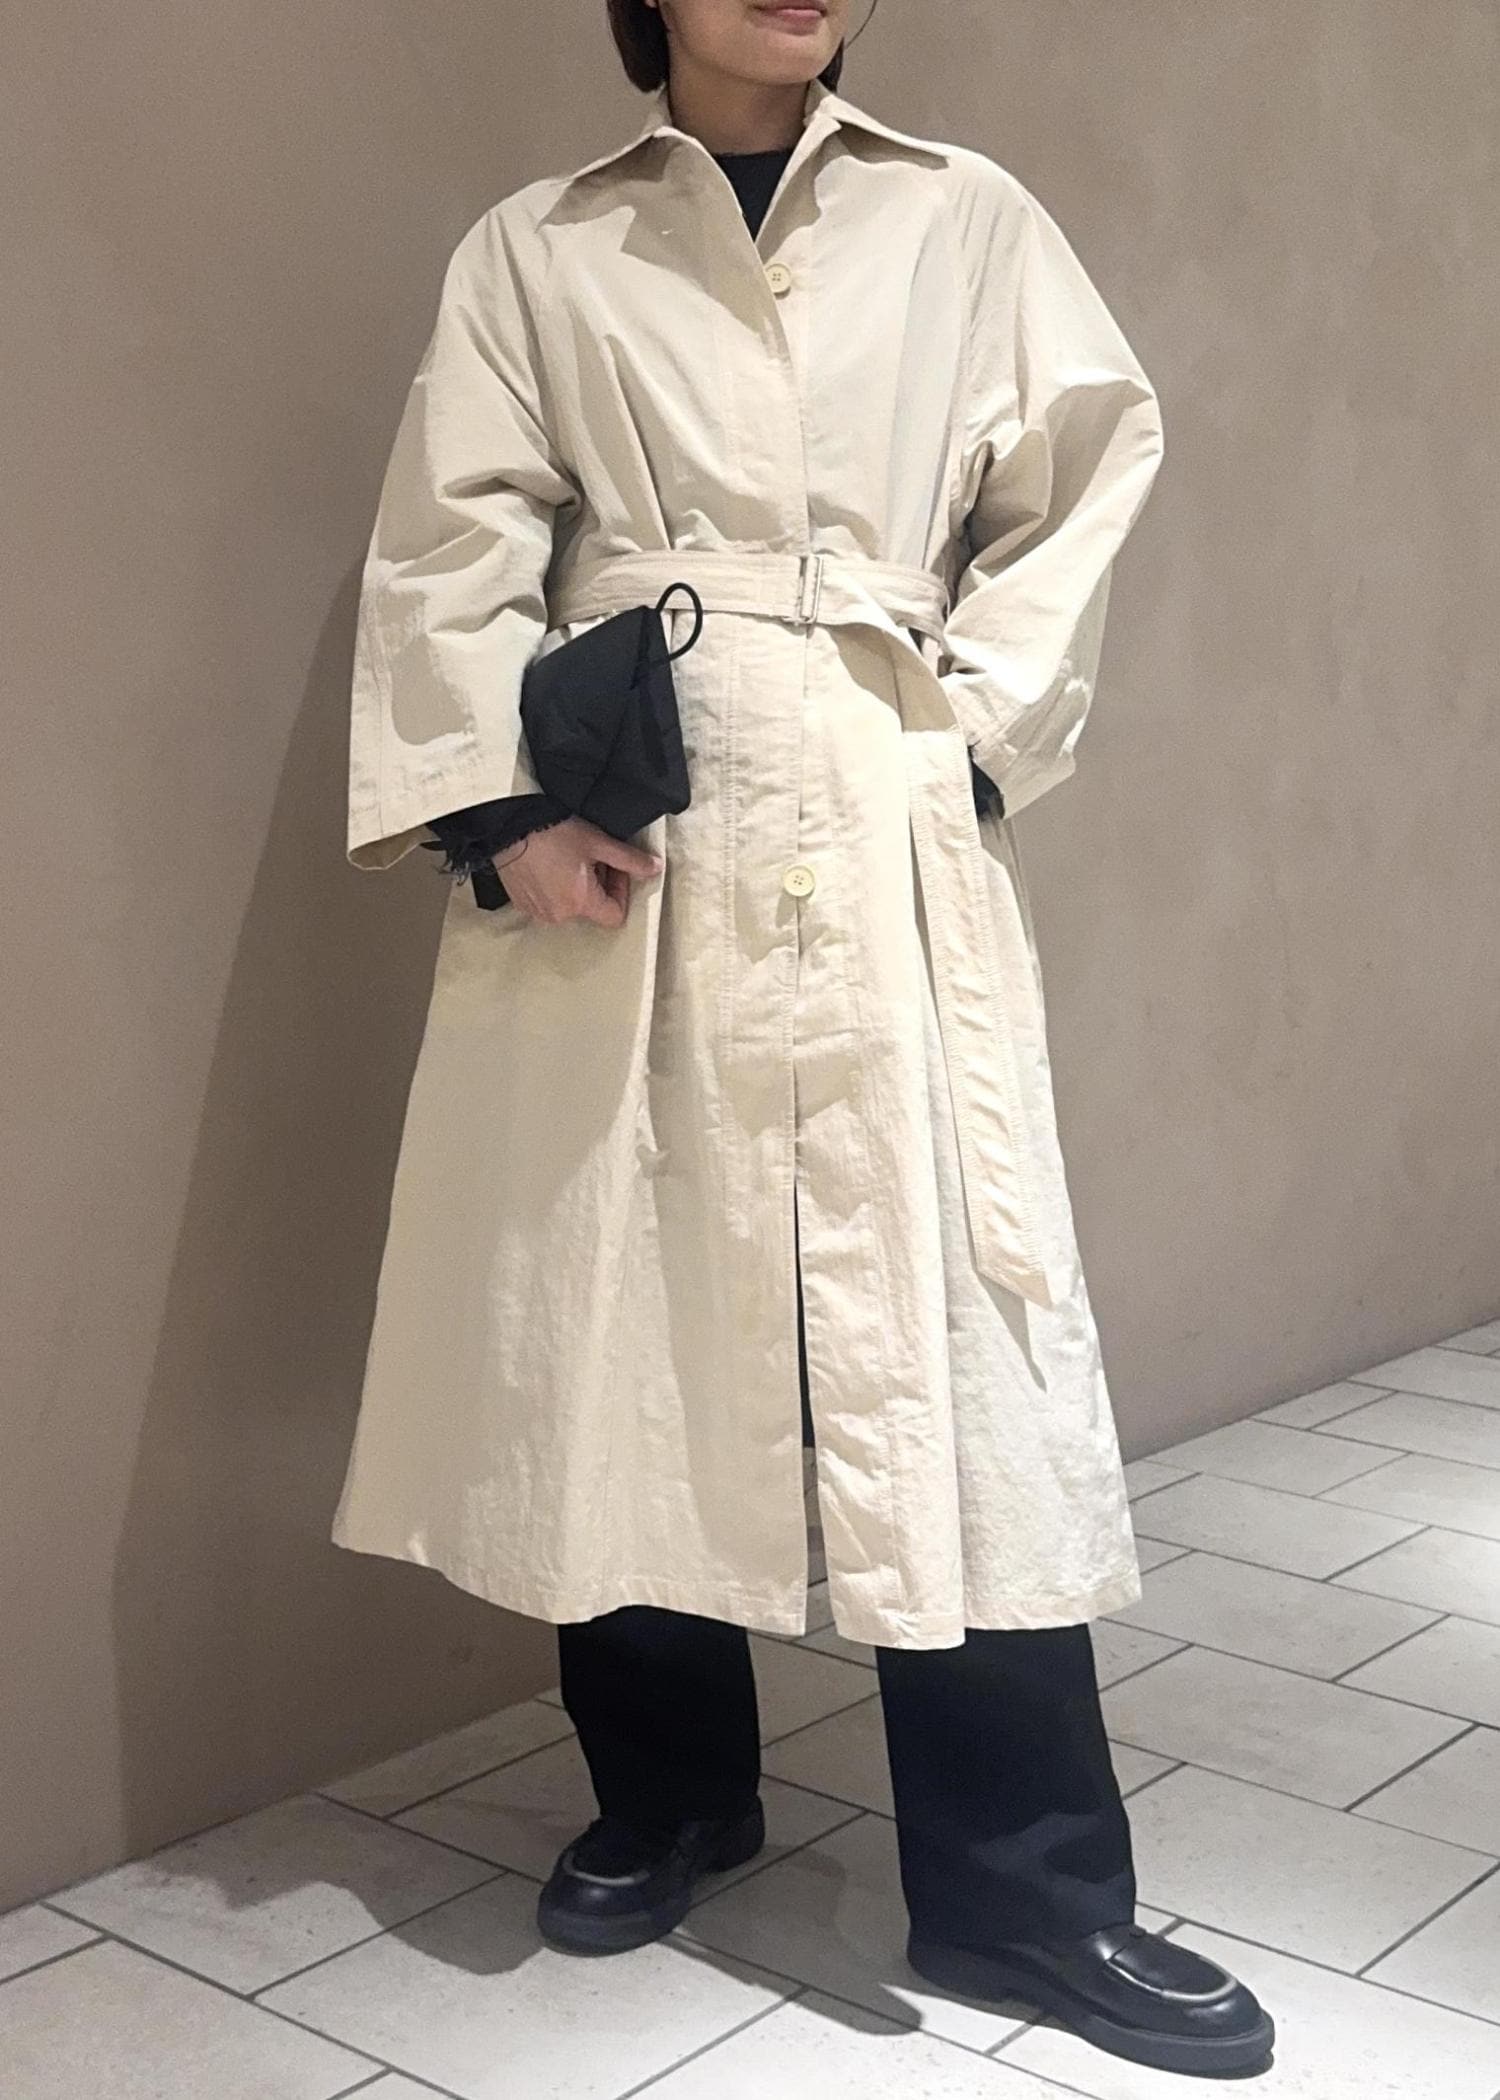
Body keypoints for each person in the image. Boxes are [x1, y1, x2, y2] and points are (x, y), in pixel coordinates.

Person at [332, 0, 1274, 2076]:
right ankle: (673, 1794)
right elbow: (449, 541)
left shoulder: (966, 218)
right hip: (634, 816)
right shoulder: (543, 247)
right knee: (617, 1308)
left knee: (955, 1322)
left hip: (874, 789)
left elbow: (1084, 474)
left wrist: (974, 741)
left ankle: (1028, 1896)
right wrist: (506, 811)